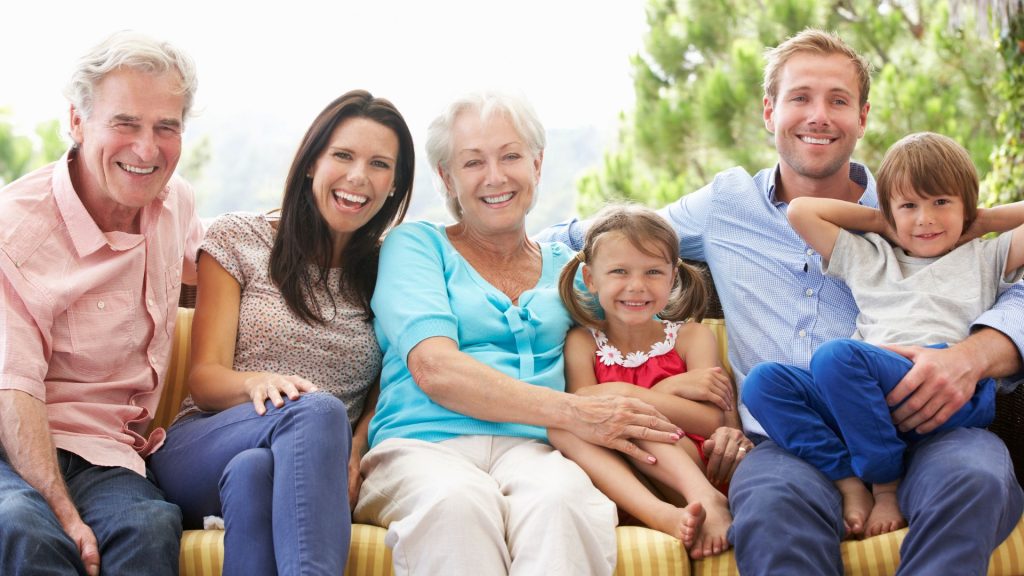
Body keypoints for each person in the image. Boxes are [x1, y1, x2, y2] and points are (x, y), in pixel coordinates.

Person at [538, 29, 1024, 575]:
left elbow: (1008, 282)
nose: (818, 115)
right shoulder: (726, 205)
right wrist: (501, 250)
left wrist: (976, 354)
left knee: (976, 480)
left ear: (862, 117)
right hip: (790, 439)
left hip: (926, 420)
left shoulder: (921, 213)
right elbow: (597, 240)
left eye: (838, 100)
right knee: (768, 511)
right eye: (800, 98)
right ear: (769, 111)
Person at [353, 91, 698, 576]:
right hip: (422, 444)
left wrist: (695, 393)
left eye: (511, 156)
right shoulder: (416, 246)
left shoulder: (573, 272)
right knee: (457, 503)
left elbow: (639, 325)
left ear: (537, 165)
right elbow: (434, 368)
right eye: (473, 162)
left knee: (562, 502)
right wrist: (575, 411)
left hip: (538, 449)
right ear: (447, 178)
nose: (496, 177)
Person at [148, 90, 414, 576]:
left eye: (379, 164)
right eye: (343, 155)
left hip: (298, 466)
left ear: (395, 185)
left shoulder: (391, 269)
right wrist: (255, 382)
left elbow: (388, 384)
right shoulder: (239, 239)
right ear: (312, 162)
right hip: (203, 445)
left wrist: (355, 452)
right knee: (314, 410)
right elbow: (204, 379)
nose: (358, 177)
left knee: (255, 474)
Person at [743, 131, 1024, 539]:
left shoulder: (986, 255)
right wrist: (882, 222)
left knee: (835, 357)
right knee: (762, 384)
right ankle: (847, 478)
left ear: (966, 205)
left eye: (941, 202)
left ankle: (885, 485)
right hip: (863, 394)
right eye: (909, 205)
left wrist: (982, 220)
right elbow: (801, 211)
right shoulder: (870, 255)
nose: (925, 219)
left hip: (947, 389)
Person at [0, 31, 203, 576]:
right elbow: (13, 389)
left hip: (106, 450)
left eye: (167, 127)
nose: (147, 148)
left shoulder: (174, 202)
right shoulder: (14, 230)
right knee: (23, 526)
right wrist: (66, 515)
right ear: (77, 121)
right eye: (125, 123)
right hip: (10, 439)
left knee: (150, 525)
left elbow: (212, 273)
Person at [550, 203, 746, 559]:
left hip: (692, 470)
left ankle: (705, 498)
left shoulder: (690, 337)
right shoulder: (582, 342)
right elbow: (582, 407)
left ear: (673, 277)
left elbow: (711, 419)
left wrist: (623, 394)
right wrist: (662, 391)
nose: (636, 286)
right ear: (591, 278)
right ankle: (661, 516)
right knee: (562, 427)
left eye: (653, 272)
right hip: (625, 481)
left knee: (629, 416)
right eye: (620, 271)